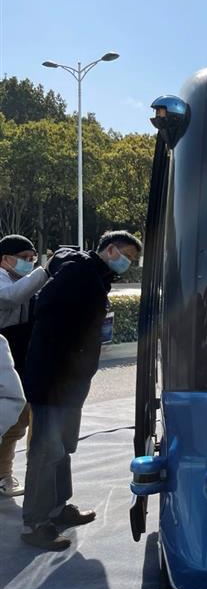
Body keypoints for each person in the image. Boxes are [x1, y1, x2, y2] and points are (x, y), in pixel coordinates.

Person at [20, 230, 142, 550]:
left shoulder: (95, 276)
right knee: (46, 451)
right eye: (127, 255)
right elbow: (46, 310)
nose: (128, 263)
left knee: (64, 445)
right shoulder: (79, 271)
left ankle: (59, 509)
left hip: (71, 381)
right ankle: (36, 523)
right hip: (53, 379)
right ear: (111, 249)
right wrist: (68, 354)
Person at [0, 234, 48, 497]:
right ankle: (2, 476)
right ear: (4, 259)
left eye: (32, 259)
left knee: (20, 419)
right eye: (23, 259)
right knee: (8, 417)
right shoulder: (4, 280)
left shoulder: (24, 282)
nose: (29, 263)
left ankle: (4, 474)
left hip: (20, 358)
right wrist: (44, 272)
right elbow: (9, 299)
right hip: (3, 358)